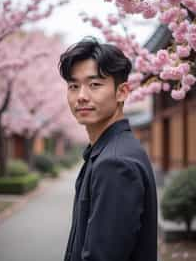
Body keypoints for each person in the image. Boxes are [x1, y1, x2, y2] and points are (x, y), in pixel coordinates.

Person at [59, 37, 158, 261]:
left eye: (94, 84)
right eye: (74, 86)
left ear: (122, 92)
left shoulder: (115, 163)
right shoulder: (106, 151)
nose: (81, 96)